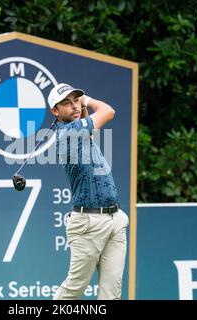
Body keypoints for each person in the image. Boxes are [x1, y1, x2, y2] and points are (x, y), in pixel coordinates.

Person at [47, 83, 129, 300]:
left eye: (76, 100)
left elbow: (88, 126)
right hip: (88, 222)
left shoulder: (81, 131)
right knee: (74, 289)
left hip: (116, 219)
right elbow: (108, 111)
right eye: (66, 103)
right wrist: (86, 100)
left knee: (111, 294)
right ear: (55, 111)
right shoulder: (68, 133)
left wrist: (79, 106)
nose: (74, 106)